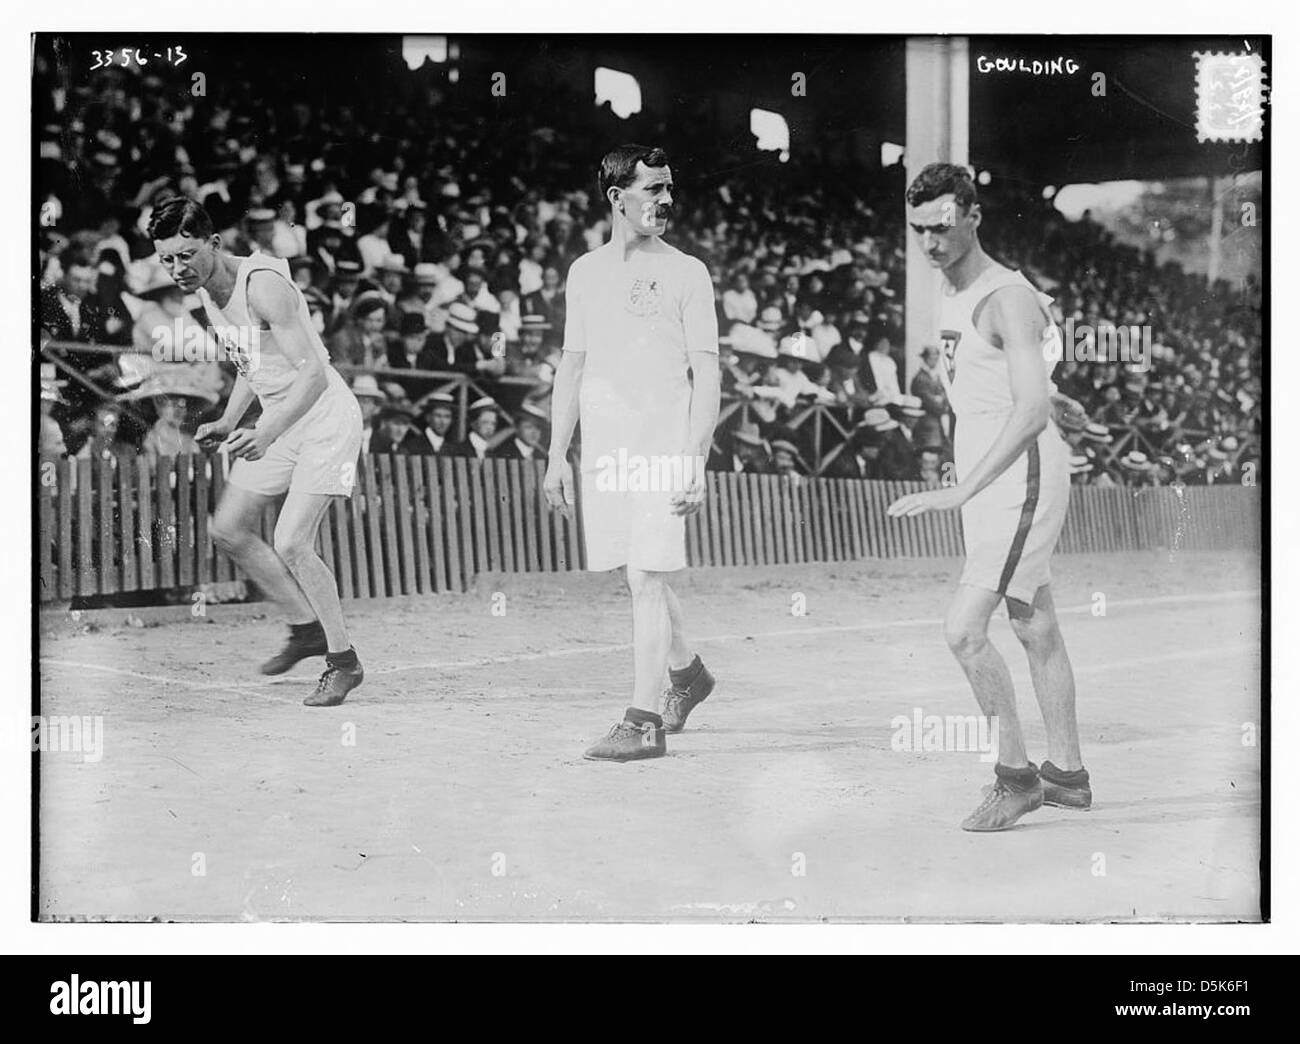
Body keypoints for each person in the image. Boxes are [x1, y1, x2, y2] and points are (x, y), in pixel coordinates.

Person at [888, 163, 1087, 831]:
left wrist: (960, 491)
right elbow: (1015, 384)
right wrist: (1055, 397)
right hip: (994, 467)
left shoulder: (1008, 296)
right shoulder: (951, 291)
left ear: (972, 215)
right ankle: (1068, 774)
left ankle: (1015, 777)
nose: (931, 242)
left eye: (942, 226)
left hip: (1018, 475)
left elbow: (1029, 411)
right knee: (1034, 623)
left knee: (964, 631)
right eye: (919, 229)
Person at [151, 196, 365, 707]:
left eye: (186, 255)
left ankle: (344, 663)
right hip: (281, 419)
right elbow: (255, 364)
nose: (177, 269)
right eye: (167, 259)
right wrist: (228, 418)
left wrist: (265, 432)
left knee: (292, 541)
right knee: (228, 528)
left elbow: (313, 372)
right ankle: (304, 627)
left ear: (214, 244)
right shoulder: (206, 290)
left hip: (327, 418)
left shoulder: (263, 284)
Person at [544, 144, 720, 762]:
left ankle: (643, 722)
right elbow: (572, 364)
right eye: (654, 189)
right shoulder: (585, 271)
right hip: (605, 447)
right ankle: (688, 673)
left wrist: (695, 458)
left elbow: (708, 374)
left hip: (664, 447)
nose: (666, 200)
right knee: (634, 570)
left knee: (648, 576)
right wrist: (555, 454)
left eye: (670, 188)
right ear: (618, 198)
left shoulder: (688, 272)